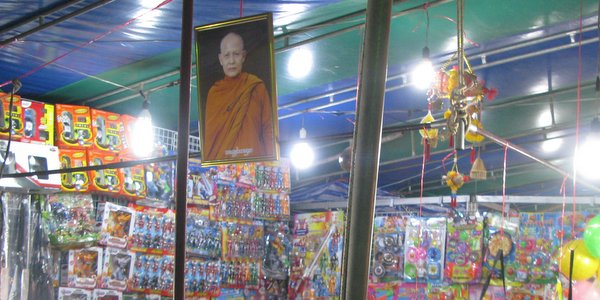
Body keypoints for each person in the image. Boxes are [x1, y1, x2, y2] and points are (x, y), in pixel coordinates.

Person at [204, 31, 274, 161]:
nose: (231, 61)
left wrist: (271, 162)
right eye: (226, 55)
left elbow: (268, 129)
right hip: (223, 166)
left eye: (236, 54)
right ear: (220, 59)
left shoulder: (256, 87)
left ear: (243, 56)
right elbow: (210, 139)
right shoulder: (214, 93)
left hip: (254, 162)